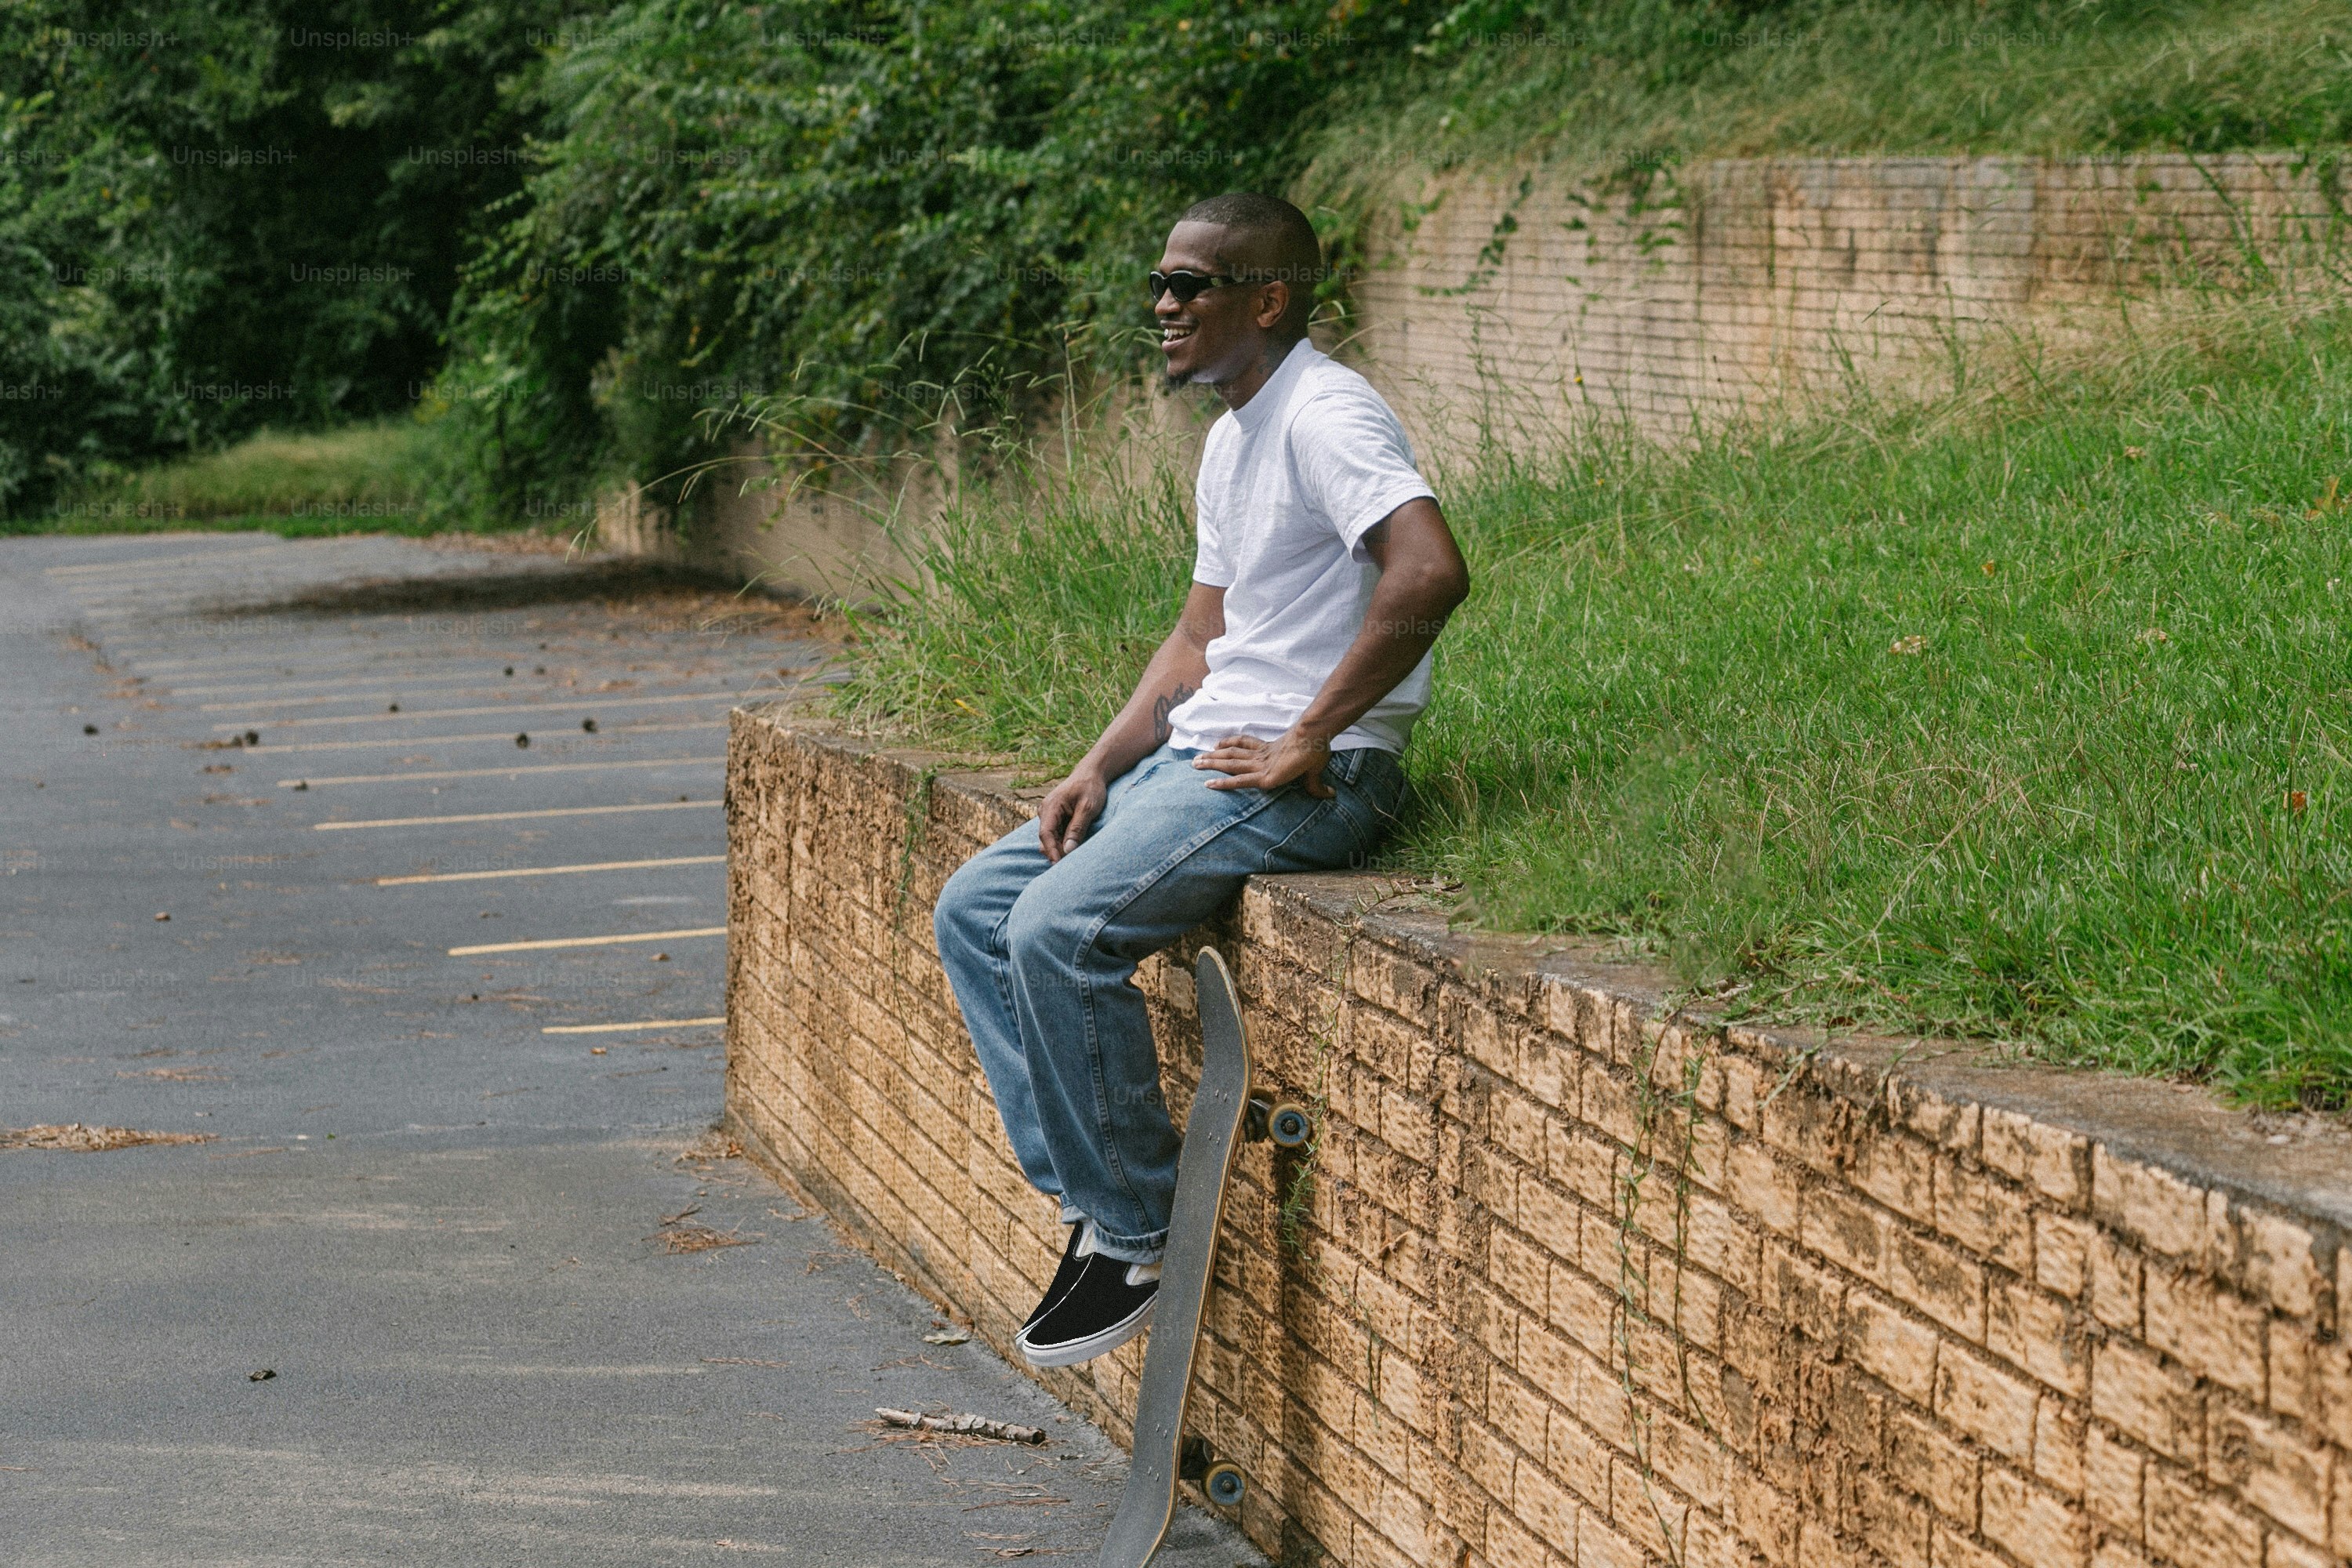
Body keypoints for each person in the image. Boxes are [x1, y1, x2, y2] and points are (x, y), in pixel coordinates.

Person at [931, 192, 1472, 1367]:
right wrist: (1097, 762)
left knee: (1058, 930)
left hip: (1304, 779)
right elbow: (1196, 642)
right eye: (1160, 288)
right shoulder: (1235, 435)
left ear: (1266, 300)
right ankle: (1090, 1191)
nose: (1163, 307)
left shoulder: (1326, 417)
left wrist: (1317, 731)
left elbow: (1429, 570)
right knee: (975, 907)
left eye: (1191, 286)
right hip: (1201, 757)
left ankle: (1137, 1229)